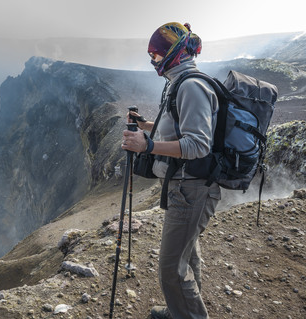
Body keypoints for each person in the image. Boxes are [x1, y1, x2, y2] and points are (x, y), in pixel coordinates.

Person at [121, 22, 221, 319]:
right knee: (186, 256)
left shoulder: (191, 86)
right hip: (187, 185)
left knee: (170, 269)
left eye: (156, 55)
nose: (154, 62)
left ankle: (188, 315)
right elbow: (179, 126)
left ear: (173, 53)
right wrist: (147, 126)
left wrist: (148, 146)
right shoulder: (180, 81)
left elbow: (198, 145)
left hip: (191, 188)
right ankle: (181, 311)